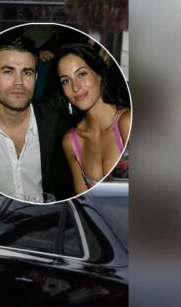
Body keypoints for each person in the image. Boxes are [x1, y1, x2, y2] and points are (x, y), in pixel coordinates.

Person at [0, 32, 73, 202]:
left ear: (36, 77)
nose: (19, 82)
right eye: (8, 71)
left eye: (27, 72)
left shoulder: (61, 126)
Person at [55, 43, 131, 194]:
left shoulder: (127, 122)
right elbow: (84, 202)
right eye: (65, 80)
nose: (75, 87)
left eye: (82, 74)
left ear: (99, 74)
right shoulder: (71, 142)